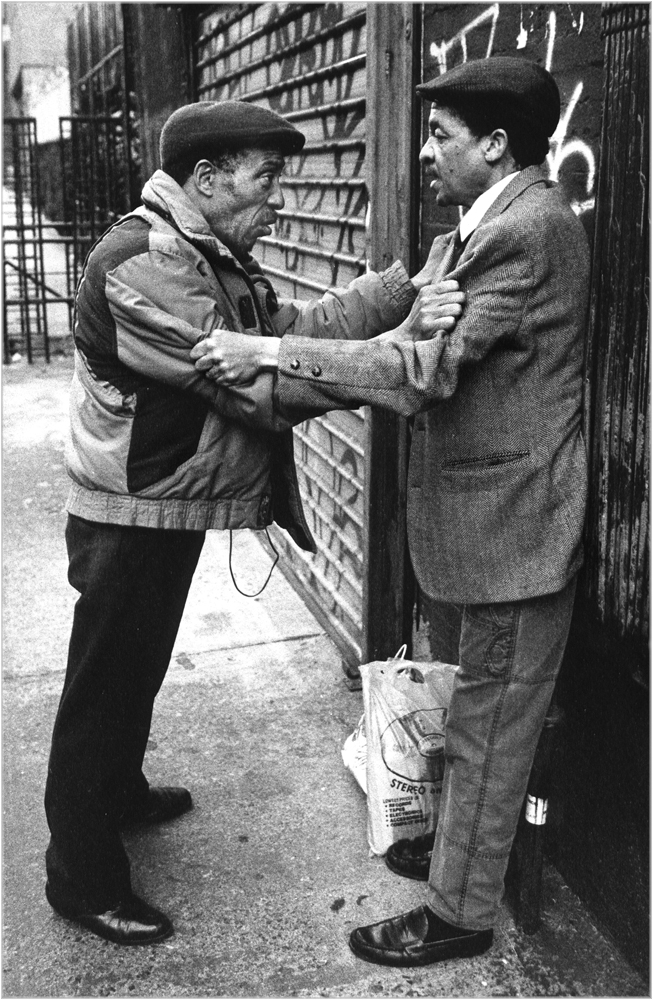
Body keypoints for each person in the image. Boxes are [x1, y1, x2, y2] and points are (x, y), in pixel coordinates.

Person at [192, 58, 590, 967]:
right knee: (472, 714)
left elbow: (418, 373)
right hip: (478, 527)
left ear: (496, 145)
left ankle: (457, 914)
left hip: (514, 532)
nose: (424, 152)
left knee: (489, 728)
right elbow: (415, 335)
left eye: (440, 136)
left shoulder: (525, 231)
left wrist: (267, 351)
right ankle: (453, 854)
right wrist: (411, 316)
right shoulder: (472, 231)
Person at [44, 100, 465, 947]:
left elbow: (289, 336)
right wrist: (399, 353)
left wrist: (397, 293)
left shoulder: (203, 251)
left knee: (136, 665)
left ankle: (116, 792)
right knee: (107, 682)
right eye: (265, 177)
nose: (278, 197)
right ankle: (79, 876)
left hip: (163, 498)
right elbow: (264, 387)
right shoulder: (144, 263)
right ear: (206, 178)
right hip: (129, 510)